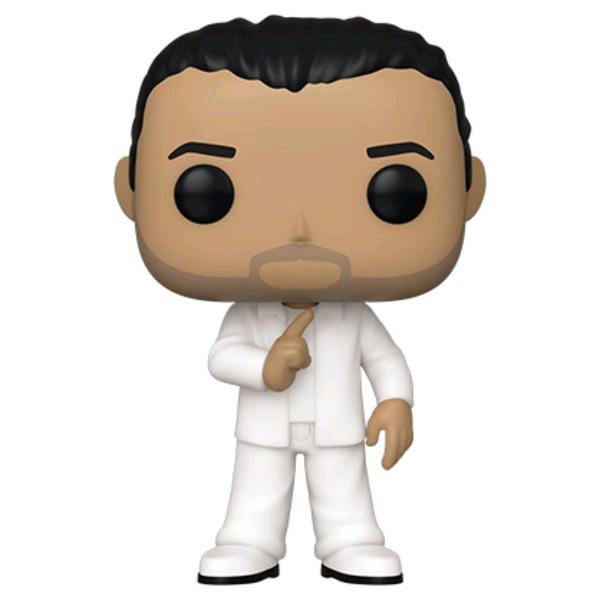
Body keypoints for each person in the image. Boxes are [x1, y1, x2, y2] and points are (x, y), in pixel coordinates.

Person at [114, 15, 486, 585]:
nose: (300, 232)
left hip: (339, 427)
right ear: (131, 191)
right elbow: (221, 358)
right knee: (255, 493)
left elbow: (385, 360)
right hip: (264, 426)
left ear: (468, 189)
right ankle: (248, 542)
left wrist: (396, 400)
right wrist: (264, 368)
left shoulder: (353, 317)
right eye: (206, 192)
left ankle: (351, 541)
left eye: (395, 192)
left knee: (346, 494)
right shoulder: (248, 314)